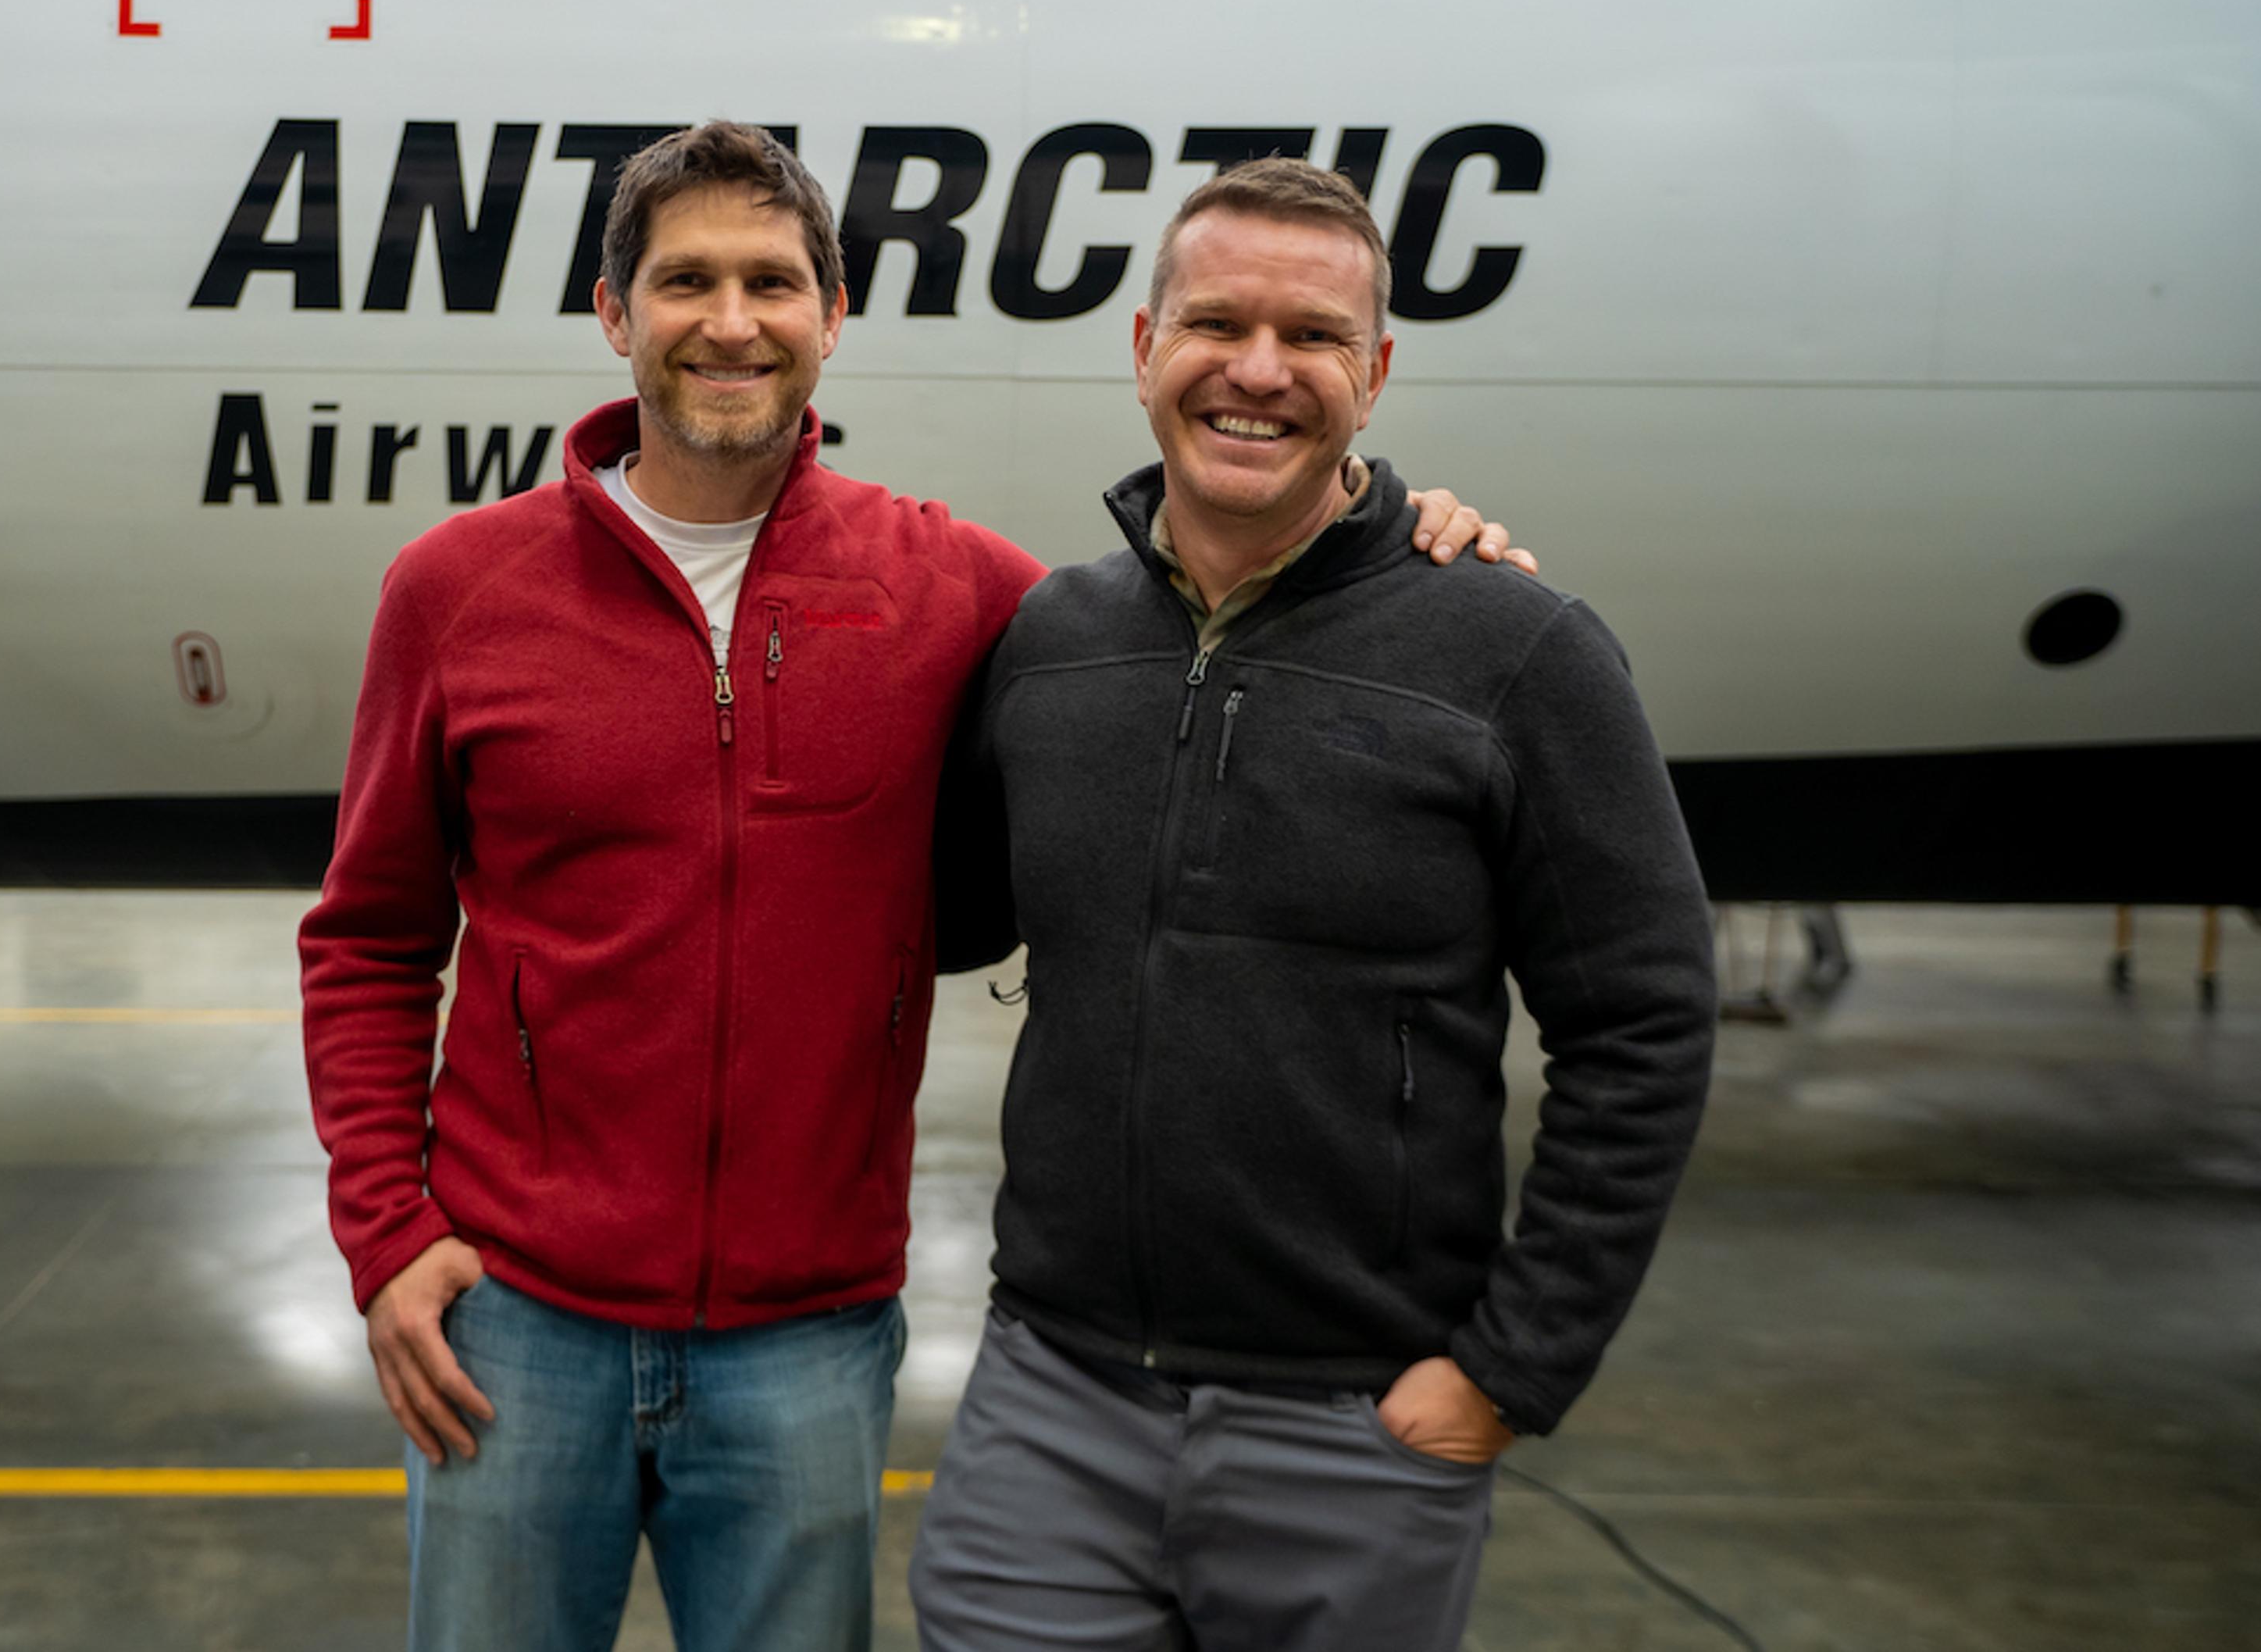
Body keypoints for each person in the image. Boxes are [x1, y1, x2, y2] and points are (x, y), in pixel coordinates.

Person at [298, 123, 1521, 1652]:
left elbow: (1209, 616)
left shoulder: (960, 591)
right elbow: (369, 939)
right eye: (685, 282)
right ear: (616, 314)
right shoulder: (458, 590)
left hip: (807, 1339)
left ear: (833, 314)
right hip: (516, 1323)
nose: (731, 323)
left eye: (771, 283)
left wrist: (1403, 546)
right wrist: (387, 1233)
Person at [911, 158, 1718, 1652]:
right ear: (1145, 346)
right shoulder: (1053, 643)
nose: (1260, 371)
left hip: (1354, 1426)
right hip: (1053, 1397)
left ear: (1377, 373)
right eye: (1217, 323)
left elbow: (1645, 1023)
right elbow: (934, 920)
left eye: (1315, 337)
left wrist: (1509, 1373)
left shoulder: (1516, 651)